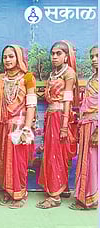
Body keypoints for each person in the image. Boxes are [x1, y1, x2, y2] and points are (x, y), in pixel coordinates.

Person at [37, 41, 78, 209]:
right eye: (53, 53)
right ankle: (63, 187)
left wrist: (64, 125)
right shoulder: (53, 73)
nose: (54, 57)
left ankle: (54, 196)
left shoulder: (69, 73)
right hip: (51, 116)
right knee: (53, 153)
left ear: (66, 56)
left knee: (57, 154)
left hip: (62, 117)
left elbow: (68, 99)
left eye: (58, 54)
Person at [0, 45, 36, 209]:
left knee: (18, 161)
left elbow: (31, 104)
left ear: (18, 58)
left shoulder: (28, 77)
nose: (7, 60)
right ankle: (8, 189)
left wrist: (27, 128)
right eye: (5, 57)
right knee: (5, 159)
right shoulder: (0, 78)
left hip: (20, 126)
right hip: (4, 125)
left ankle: (19, 193)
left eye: (11, 56)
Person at [70, 45, 98, 210]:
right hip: (87, 124)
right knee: (85, 161)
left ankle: (90, 200)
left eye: (97, 56)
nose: (94, 59)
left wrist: (97, 132)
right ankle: (83, 197)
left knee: (93, 163)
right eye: (91, 56)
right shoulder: (92, 79)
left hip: (95, 126)